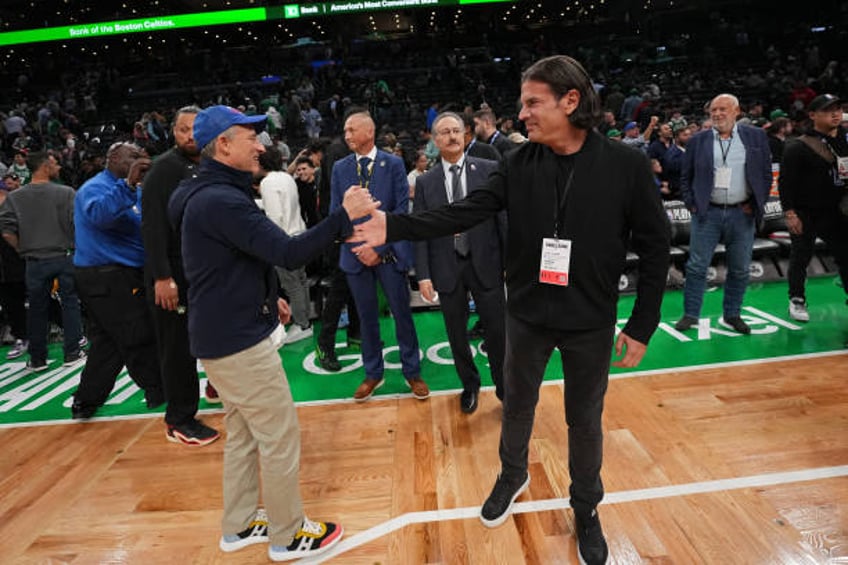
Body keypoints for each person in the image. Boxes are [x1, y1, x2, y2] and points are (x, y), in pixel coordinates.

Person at [351, 55, 670, 565]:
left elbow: (656, 249)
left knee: (583, 420)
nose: (522, 114)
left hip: (590, 319)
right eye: (523, 104)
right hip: (525, 313)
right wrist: (397, 227)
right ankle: (511, 475)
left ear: (570, 101)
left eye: (532, 103)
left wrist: (642, 324)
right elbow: (464, 211)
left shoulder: (625, 165)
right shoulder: (517, 165)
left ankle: (585, 508)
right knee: (517, 405)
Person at [168, 105, 377, 561]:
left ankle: (239, 524)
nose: (261, 145)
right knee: (280, 435)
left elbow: (233, 258)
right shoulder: (220, 199)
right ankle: (287, 535)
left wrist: (266, 296)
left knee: (244, 434)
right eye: (250, 136)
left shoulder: (203, 191)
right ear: (223, 144)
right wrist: (343, 216)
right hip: (236, 341)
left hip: (221, 331)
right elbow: (287, 250)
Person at [331, 110, 429, 402]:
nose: (346, 135)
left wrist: (378, 248)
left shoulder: (394, 164)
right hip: (354, 254)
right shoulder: (339, 168)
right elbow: (336, 213)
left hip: (388, 254)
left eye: (351, 130)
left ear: (368, 132)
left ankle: (412, 371)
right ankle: (373, 373)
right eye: (345, 131)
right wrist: (358, 246)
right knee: (365, 318)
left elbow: (400, 211)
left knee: (402, 316)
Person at [414, 111, 506, 414]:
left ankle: (505, 387)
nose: (452, 136)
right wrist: (424, 275)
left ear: (465, 135)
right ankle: (470, 385)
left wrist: (510, 262)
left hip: (487, 262)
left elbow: (503, 219)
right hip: (447, 265)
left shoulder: (490, 169)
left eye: (456, 130)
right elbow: (421, 231)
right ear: (435, 140)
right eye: (445, 132)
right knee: (456, 333)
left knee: (497, 330)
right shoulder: (426, 182)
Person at [141, 105, 220, 446]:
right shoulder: (163, 169)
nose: (189, 136)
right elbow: (153, 227)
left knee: (211, 339)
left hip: (202, 272)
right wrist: (162, 276)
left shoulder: (209, 164)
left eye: (195, 129)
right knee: (177, 348)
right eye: (182, 130)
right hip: (173, 274)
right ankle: (179, 419)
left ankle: (216, 391)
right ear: (172, 132)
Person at [72, 141, 164, 420]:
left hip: (119, 274)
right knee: (137, 334)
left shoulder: (135, 189)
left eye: (140, 155)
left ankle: (86, 401)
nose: (138, 159)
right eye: (132, 156)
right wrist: (128, 183)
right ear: (112, 159)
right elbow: (100, 216)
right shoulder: (94, 187)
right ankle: (159, 390)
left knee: (108, 343)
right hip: (107, 275)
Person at [674, 93, 772, 334]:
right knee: (697, 266)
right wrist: (692, 203)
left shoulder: (756, 137)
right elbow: (685, 177)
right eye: (713, 110)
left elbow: (765, 174)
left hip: (742, 213)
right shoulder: (698, 140)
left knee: (739, 268)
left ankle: (732, 314)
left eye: (723, 109)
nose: (717, 114)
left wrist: (755, 202)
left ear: (737, 111)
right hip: (708, 214)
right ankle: (691, 314)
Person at [0, 150, 83, 371]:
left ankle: (37, 359)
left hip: (34, 259)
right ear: (45, 166)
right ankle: (72, 353)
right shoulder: (67, 193)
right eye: (55, 163)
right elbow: (79, 225)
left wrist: (21, 248)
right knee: (69, 304)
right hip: (64, 255)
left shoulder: (14, 197)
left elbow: (6, 231)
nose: (59, 167)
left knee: (37, 309)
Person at [778, 94, 848, 322]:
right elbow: (785, 183)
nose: (835, 113)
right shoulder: (797, 146)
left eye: (837, 109)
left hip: (837, 211)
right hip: (805, 212)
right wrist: (789, 213)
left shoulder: (846, 139)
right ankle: (797, 299)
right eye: (828, 110)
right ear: (812, 115)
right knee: (801, 256)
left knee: (846, 256)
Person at [258, 147, 313, 343]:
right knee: (301, 281)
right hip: (300, 234)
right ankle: (306, 321)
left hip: (284, 239)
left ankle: (302, 323)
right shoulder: (287, 178)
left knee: (292, 285)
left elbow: (275, 217)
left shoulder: (267, 183)